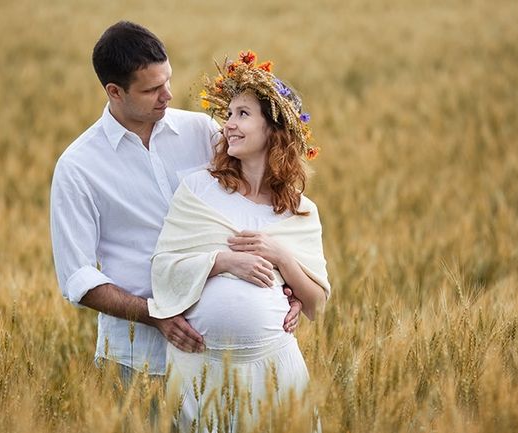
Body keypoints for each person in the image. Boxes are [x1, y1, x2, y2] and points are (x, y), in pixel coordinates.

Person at [50, 22, 302, 383]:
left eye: (167, 80)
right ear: (114, 92)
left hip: (219, 360)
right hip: (138, 360)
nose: (167, 95)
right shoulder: (78, 167)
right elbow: (78, 278)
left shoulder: (202, 131)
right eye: (152, 89)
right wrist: (156, 314)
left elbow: (261, 201)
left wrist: (289, 285)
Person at [148, 51, 331, 430]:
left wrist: (282, 258)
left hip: (276, 373)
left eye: (243, 114)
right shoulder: (198, 189)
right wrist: (224, 262)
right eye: (228, 114)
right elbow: (163, 270)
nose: (228, 125)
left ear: (273, 129)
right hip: (202, 372)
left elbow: (318, 305)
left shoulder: (300, 211)